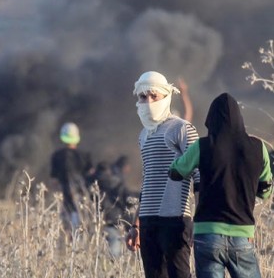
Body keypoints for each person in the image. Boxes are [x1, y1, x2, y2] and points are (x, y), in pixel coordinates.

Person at [169, 93, 272, 278]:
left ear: (210, 120)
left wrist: (177, 153)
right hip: (242, 235)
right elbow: (265, 191)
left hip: (207, 235)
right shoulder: (259, 148)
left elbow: (176, 172)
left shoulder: (202, 146)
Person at [125, 71, 200, 278]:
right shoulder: (143, 135)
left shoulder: (183, 128)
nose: (148, 102)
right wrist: (136, 224)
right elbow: (147, 181)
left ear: (166, 96)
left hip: (175, 218)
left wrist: (199, 219)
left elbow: (198, 176)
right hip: (148, 221)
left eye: (154, 96)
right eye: (143, 97)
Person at [49, 122, 93, 230]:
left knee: (66, 227)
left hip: (64, 197)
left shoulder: (57, 156)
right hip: (81, 197)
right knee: (80, 226)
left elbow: (54, 180)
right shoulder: (85, 156)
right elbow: (91, 175)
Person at [93, 161, 135, 259]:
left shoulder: (91, 182)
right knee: (115, 247)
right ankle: (113, 267)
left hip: (96, 219)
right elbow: (128, 199)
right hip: (115, 219)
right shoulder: (117, 183)